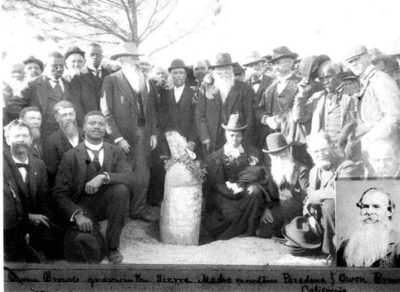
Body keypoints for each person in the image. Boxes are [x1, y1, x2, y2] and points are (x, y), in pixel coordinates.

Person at [53, 111, 133, 264]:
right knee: (88, 247)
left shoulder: (116, 151)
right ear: (83, 127)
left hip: (109, 204)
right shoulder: (70, 156)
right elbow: (60, 193)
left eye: (101, 124)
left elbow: (131, 178)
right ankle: (96, 236)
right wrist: (77, 215)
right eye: (92, 123)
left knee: (121, 189)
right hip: (82, 206)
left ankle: (112, 247)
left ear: (105, 128)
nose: (97, 127)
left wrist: (103, 177)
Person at [101, 42, 159, 222]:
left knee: (143, 173)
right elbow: (106, 112)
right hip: (123, 136)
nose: (136, 61)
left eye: (136, 58)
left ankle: (138, 209)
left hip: (144, 133)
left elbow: (152, 110)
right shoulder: (111, 80)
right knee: (123, 174)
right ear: (122, 60)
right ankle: (120, 213)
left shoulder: (144, 79)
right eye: (132, 58)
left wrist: (154, 133)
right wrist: (117, 137)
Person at [3, 119, 63, 262]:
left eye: (25, 136)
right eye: (17, 136)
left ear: (31, 139)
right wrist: (28, 217)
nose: (21, 140)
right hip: (9, 222)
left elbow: (43, 197)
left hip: (34, 218)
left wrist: (45, 219)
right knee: (20, 260)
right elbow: (5, 205)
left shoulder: (38, 164)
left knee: (58, 248)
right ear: (7, 138)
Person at [201, 114, 266, 243]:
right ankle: (226, 233)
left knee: (255, 191)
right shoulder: (216, 157)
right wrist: (232, 192)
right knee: (230, 215)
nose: (235, 139)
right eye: (232, 135)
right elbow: (216, 184)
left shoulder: (251, 152)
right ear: (226, 135)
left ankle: (249, 230)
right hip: (223, 194)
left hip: (244, 191)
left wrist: (243, 187)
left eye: (238, 135)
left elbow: (258, 175)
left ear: (243, 136)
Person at [306, 131, 363, 261]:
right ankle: (320, 244)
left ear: (332, 147)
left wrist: (313, 196)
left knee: (329, 204)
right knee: (296, 239)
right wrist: (309, 217)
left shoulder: (346, 166)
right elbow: (307, 199)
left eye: (324, 150)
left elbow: (341, 191)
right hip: (322, 221)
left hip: (343, 221)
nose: (320, 155)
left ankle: (332, 251)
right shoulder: (314, 171)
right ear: (310, 154)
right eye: (316, 152)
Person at [6, 51, 85, 138]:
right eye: (54, 66)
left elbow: (78, 111)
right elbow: (12, 107)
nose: (58, 69)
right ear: (46, 65)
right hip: (41, 136)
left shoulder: (70, 85)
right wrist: (27, 122)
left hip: (65, 136)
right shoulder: (32, 84)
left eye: (61, 66)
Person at [256, 46, 311, 167]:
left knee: (300, 173)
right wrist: (267, 119)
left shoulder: (303, 83)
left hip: (296, 140)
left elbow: (308, 112)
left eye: (278, 63)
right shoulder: (269, 86)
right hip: (274, 141)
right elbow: (259, 110)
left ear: (290, 62)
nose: (275, 67)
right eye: (274, 63)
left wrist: (285, 120)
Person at [195, 52, 255, 156]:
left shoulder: (244, 89)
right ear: (214, 72)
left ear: (231, 70)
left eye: (226, 69)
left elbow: (250, 117)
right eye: (219, 70)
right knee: (214, 169)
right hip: (212, 140)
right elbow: (199, 115)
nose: (223, 73)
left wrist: (244, 141)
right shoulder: (206, 88)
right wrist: (205, 137)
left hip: (236, 139)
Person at [344, 45, 400, 155]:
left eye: (357, 59)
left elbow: (394, 116)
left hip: (386, 148)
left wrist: (368, 139)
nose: (354, 64)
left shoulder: (380, 79)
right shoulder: (366, 81)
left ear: (368, 57)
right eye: (350, 62)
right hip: (373, 147)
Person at [293, 61, 357, 148]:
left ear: (339, 76)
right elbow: (299, 118)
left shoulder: (352, 96)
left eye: (328, 77)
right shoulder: (317, 97)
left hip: (344, 149)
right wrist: (301, 94)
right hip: (321, 149)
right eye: (321, 79)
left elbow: (355, 125)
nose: (324, 82)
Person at [257, 133, 309, 238]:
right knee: (263, 231)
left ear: (289, 150)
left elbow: (306, 197)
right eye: (275, 154)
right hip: (279, 209)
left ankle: (289, 230)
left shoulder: (301, 170)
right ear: (271, 156)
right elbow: (268, 193)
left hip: (296, 211)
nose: (280, 156)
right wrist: (266, 209)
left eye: (283, 152)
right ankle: (284, 230)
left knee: (288, 204)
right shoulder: (272, 170)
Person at [337, 188, 400, 267]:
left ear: (389, 211)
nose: (369, 212)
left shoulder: (398, 246)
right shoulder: (345, 246)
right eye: (365, 206)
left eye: (376, 207)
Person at [43, 101, 84, 187]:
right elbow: (53, 171)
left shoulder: (86, 134)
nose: (68, 118)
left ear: (75, 115)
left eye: (71, 114)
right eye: (64, 115)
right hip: (67, 187)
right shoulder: (51, 142)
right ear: (57, 118)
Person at [242, 51, 274, 147]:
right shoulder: (244, 84)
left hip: (269, 128)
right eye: (251, 65)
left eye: (257, 64)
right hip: (250, 130)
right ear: (246, 68)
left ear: (262, 65)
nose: (255, 67)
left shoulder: (273, 81)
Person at [73, 43, 110, 113]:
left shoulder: (109, 75)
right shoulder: (77, 77)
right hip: (87, 119)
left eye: (98, 54)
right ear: (85, 56)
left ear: (102, 56)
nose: (95, 57)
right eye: (92, 54)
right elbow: (76, 104)